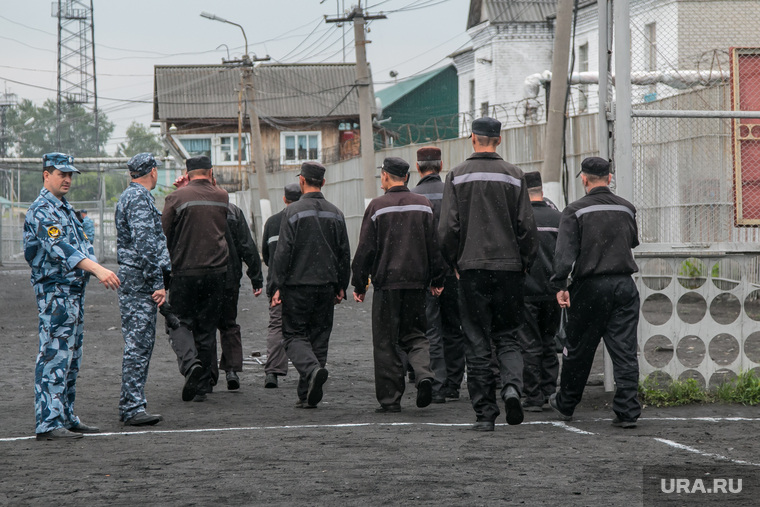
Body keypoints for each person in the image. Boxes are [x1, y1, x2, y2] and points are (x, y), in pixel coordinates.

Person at [438, 117, 537, 432]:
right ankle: (511, 388)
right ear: (499, 139)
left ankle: (485, 414)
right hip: (509, 268)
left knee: (477, 339)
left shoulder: (456, 176)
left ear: (472, 138)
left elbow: (448, 229)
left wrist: (453, 260)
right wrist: (525, 262)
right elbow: (526, 227)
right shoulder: (514, 175)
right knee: (508, 336)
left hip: (471, 269)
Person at [23, 152, 120, 440]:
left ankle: (65, 415)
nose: (67, 179)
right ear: (46, 174)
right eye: (61, 173)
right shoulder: (41, 210)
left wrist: (92, 269)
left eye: (70, 174)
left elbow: (83, 244)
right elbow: (60, 248)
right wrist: (98, 270)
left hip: (73, 294)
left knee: (71, 358)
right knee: (54, 355)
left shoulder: (65, 209)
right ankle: (49, 422)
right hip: (55, 293)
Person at [549, 157, 642, 428]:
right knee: (624, 349)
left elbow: (564, 255)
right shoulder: (627, 208)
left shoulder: (574, 211)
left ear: (584, 179)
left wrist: (560, 285)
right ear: (609, 178)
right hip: (624, 285)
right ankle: (627, 411)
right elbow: (633, 240)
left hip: (590, 286)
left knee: (579, 348)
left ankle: (566, 403)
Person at [352, 156, 445, 413]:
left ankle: (390, 400)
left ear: (384, 176)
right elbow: (434, 247)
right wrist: (437, 279)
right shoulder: (424, 205)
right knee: (416, 335)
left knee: (385, 342)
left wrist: (359, 284)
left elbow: (365, 251)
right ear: (407, 177)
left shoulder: (377, 207)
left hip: (387, 286)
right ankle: (424, 373)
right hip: (417, 285)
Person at [271, 161, 351, 409]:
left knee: (293, 335)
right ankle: (306, 393)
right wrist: (341, 285)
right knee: (319, 337)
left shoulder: (292, 212)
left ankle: (312, 371)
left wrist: (278, 285)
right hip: (326, 286)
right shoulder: (336, 212)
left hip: (298, 286)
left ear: (302, 181)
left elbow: (283, 252)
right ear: (323, 182)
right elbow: (344, 253)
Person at [162, 155, 229, 402]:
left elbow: (164, 235)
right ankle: (204, 385)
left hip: (185, 272)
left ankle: (191, 366)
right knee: (206, 326)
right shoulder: (223, 196)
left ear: (186, 173)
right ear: (211, 171)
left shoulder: (176, 198)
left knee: (178, 322)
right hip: (216, 273)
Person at [114, 153, 171, 426]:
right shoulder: (138, 198)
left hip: (135, 279)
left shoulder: (131, 196)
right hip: (140, 282)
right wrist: (157, 283)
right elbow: (146, 244)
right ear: (152, 171)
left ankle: (132, 404)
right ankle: (132, 407)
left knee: (138, 344)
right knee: (138, 345)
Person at [411, 146, 466, 404]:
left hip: (425, 274)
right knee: (454, 328)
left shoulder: (413, 197)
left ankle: (436, 382)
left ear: (418, 166)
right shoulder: (454, 194)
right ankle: (453, 385)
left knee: (430, 329)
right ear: (441, 165)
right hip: (455, 271)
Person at [518, 171, 561, 412]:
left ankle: (533, 395)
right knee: (549, 341)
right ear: (541, 189)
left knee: (528, 344)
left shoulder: (520, 221)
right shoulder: (558, 217)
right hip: (553, 291)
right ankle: (549, 390)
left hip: (526, 292)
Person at [211, 202, 263, 390]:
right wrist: (256, 277)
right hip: (229, 277)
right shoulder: (232, 210)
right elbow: (246, 245)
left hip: (202, 275)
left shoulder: (192, 205)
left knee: (205, 326)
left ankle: (208, 375)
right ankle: (231, 370)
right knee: (229, 324)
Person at [261, 183, 302, 388]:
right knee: (304, 328)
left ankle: (273, 372)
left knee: (277, 326)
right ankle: (309, 369)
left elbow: (267, 256)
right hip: (302, 283)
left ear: (284, 199)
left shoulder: (272, 222)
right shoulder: (305, 218)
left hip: (278, 283)